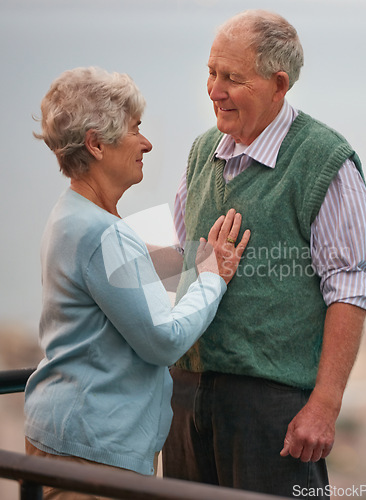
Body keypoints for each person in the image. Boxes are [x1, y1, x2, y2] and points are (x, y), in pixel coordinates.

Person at [162, 9, 366, 498]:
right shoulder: (201, 154)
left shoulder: (324, 161)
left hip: (272, 411)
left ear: (278, 84)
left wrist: (324, 405)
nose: (214, 88)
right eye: (211, 72)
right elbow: (181, 263)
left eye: (231, 78)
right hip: (186, 398)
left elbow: (348, 288)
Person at [24, 66, 250, 500]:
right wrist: (213, 278)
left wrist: (190, 258)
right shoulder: (101, 233)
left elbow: (121, 267)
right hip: (90, 453)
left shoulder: (72, 214)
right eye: (135, 130)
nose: (146, 143)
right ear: (95, 144)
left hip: (65, 438)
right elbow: (163, 341)